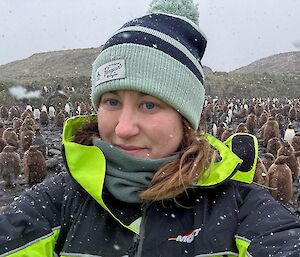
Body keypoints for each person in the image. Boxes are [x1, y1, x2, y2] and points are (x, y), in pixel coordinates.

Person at [1, 0, 300, 256]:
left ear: (185, 120)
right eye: (112, 102)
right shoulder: (57, 203)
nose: (124, 127)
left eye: (149, 105)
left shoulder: (241, 210)